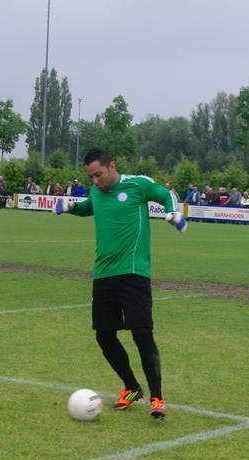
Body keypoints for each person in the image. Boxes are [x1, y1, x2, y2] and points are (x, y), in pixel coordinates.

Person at [53, 147, 186, 419]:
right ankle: (132, 387)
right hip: (103, 274)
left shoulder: (137, 185)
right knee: (104, 335)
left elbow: (166, 194)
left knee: (141, 333)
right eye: (91, 177)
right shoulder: (96, 192)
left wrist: (174, 212)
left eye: (98, 175)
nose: (95, 181)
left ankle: (157, 398)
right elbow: (91, 206)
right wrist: (72, 207)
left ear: (111, 166)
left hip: (134, 272)